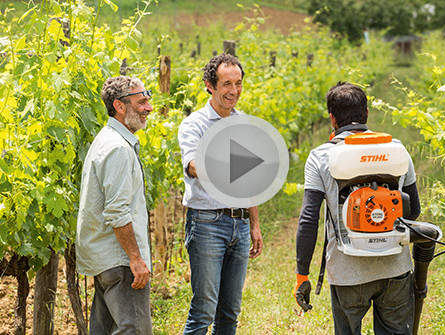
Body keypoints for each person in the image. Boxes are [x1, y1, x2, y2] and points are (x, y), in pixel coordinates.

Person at [294, 82, 421, 335]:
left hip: (346, 271)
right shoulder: (396, 149)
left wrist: (302, 276)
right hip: (394, 267)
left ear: (332, 119)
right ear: (366, 114)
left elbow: (308, 220)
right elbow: (413, 210)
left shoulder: (321, 157)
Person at [178, 53, 263, 335]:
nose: (234, 91)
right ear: (209, 86)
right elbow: (192, 166)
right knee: (203, 309)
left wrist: (254, 223)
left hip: (239, 223)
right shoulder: (195, 124)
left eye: (238, 83)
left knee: (230, 312)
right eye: (227, 84)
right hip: (207, 224)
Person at [76, 76, 153, 334]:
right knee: (134, 330)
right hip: (120, 261)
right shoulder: (118, 148)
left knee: (103, 330)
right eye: (141, 102)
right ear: (120, 106)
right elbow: (117, 211)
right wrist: (135, 258)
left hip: (104, 257)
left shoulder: (105, 139)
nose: (149, 108)